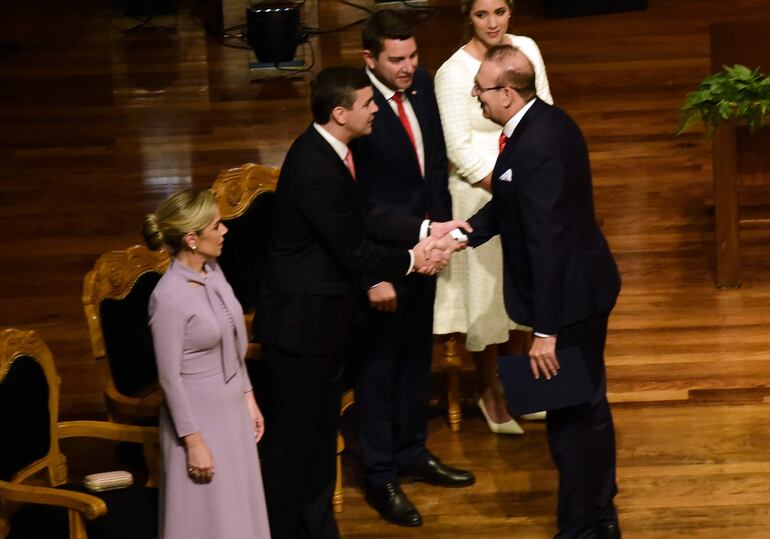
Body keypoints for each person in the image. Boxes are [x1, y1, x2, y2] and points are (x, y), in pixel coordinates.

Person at [253, 67, 469, 539]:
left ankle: (318, 527)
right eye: (367, 104)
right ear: (339, 112)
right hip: (301, 330)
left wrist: (424, 229)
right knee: (297, 446)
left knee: (315, 440)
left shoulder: (333, 154)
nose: (376, 110)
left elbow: (366, 213)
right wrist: (415, 260)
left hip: (323, 325)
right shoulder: (314, 167)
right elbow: (355, 250)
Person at [465, 44, 621, 539]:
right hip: (576, 294)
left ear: (508, 93)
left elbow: (549, 247)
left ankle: (583, 527)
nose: (476, 96)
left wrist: (546, 333)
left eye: (483, 89)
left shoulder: (536, 144)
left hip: (570, 305)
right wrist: (457, 235)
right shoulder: (539, 126)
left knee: (574, 419)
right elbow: (508, 202)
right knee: (581, 410)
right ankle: (599, 515)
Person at [348, 9, 476, 528]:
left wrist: (442, 230)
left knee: (414, 359)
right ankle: (380, 474)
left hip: (427, 247)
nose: (408, 68)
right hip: (383, 259)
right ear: (369, 58)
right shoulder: (353, 108)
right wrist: (372, 276)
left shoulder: (421, 84)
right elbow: (353, 204)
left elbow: (436, 163)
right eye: (395, 59)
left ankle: (412, 452)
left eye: (413, 56)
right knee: (378, 368)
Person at [433, 0, 553, 434]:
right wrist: (500, 186)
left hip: (522, 182)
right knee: (487, 299)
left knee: (522, 287)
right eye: (482, 14)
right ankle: (489, 390)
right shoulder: (451, 72)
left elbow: (544, 112)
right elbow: (456, 146)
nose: (492, 23)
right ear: (468, 16)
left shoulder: (526, 49)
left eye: (499, 11)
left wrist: (531, 178)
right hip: (477, 192)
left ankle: (525, 386)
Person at [143, 189, 271, 539]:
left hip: (231, 412)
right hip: (199, 421)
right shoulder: (168, 297)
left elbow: (230, 339)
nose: (225, 230)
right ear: (192, 239)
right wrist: (194, 441)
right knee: (208, 518)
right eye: (216, 225)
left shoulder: (213, 271)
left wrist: (248, 396)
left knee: (239, 510)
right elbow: (169, 378)